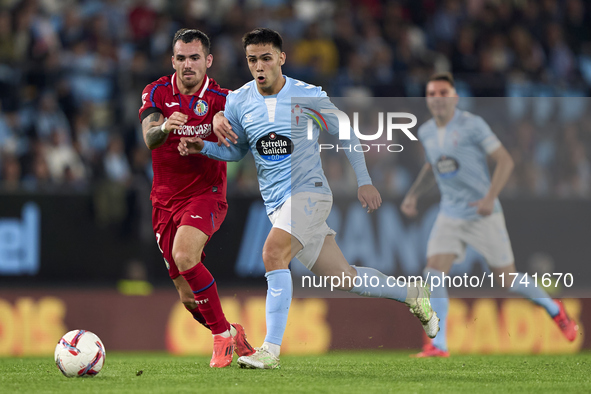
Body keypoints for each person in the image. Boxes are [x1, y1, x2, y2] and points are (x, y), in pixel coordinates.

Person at [178, 28, 440, 369]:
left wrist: (364, 180)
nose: (259, 66)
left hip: (310, 193)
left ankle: (270, 350)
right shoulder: (240, 100)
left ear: (282, 58)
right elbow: (240, 150)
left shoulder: (307, 95)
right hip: (277, 205)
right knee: (344, 278)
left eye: (266, 58)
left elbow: (344, 130)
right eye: (252, 60)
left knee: (273, 253)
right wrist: (205, 148)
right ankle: (412, 295)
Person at [400, 72, 579, 358]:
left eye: (443, 93)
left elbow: (505, 161)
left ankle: (554, 308)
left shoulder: (472, 125)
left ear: (455, 97)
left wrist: (489, 197)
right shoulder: (426, 132)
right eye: (432, 94)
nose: (437, 99)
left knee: (506, 280)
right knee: (432, 272)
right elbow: (432, 167)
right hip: (450, 212)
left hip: (483, 212)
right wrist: (413, 195)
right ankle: (438, 344)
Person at [138, 28, 254, 368]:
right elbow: (150, 139)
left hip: (207, 194)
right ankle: (232, 331)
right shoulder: (157, 92)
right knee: (189, 299)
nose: (188, 64)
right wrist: (165, 128)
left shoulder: (224, 99)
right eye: (181, 58)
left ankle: (220, 339)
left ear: (208, 60)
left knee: (185, 254)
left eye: (195, 58)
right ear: (172, 60)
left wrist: (224, 120)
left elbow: (241, 145)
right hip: (164, 201)